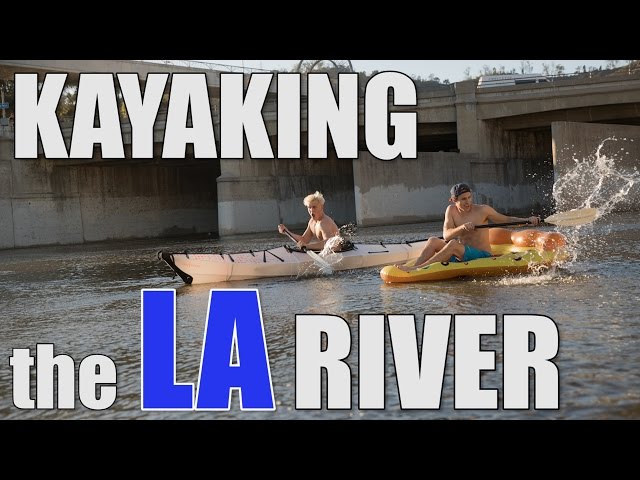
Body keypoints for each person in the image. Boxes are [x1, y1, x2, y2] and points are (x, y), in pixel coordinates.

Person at [396, 183, 540, 272]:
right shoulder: (450, 210)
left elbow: (507, 219)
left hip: (482, 256)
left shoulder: (483, 210)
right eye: (463, 199)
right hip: (462, 254)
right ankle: (413, 270)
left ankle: (417, 269)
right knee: (433, 240)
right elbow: (446, 235)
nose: (468, 202)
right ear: (453, 200)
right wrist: (462, 228)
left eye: (469, 197)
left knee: (453, 244)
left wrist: (528, 220)